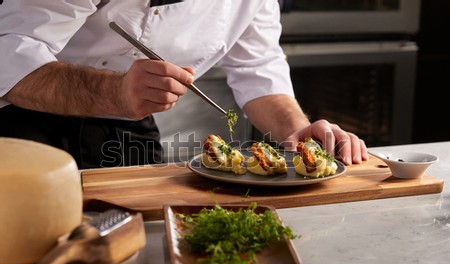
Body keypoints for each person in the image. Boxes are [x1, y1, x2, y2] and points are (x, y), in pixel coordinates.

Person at [0, 0, 368, 169]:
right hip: (23, 116)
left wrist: (297, 131)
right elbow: (10, 54)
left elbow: (257, 65)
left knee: (143, 241)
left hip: (126, 128)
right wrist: (114, 91)